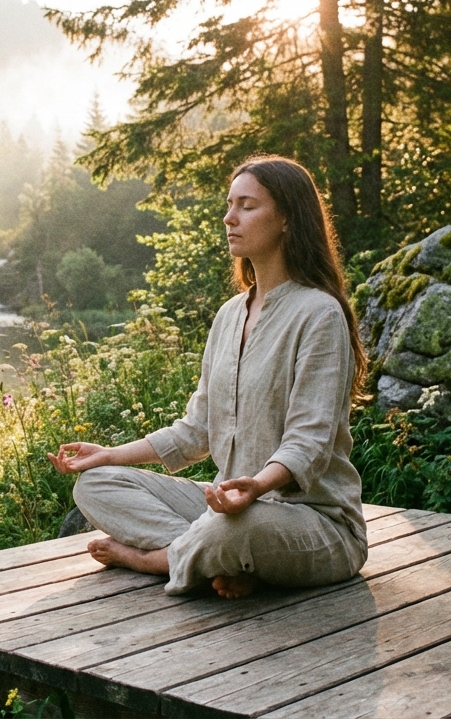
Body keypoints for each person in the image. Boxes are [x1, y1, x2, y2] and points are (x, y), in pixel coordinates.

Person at [47, 155, 368, 599]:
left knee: (234, 529)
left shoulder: (319, 314)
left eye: (247, 206)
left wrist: (256, 486)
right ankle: (220, 560)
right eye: (229, 204)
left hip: (311, 520)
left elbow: (309, 443)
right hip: (227, 506)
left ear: (287, 220)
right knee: (97, 485)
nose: (228, 217)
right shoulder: (229, 315)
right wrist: (108, 455)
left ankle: (151, 560)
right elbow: (196, 430)